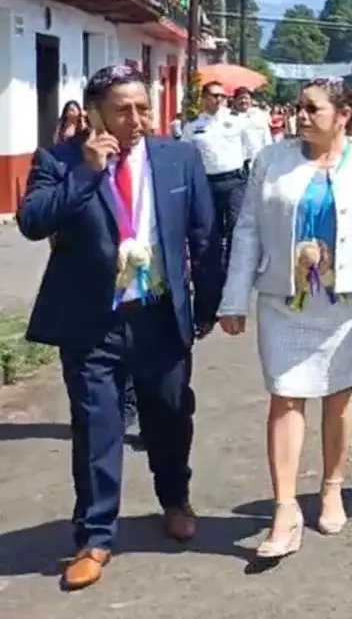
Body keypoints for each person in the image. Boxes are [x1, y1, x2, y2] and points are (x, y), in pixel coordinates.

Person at [18, 64, 221, 590]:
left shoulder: (178, 158)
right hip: (92, 324)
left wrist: (208, 306)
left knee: (171, 417)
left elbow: (202, 235)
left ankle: (174, 497)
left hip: (158, 315)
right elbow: (32, 221)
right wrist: (86, 172)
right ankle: (95, 536)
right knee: (96, 430)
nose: (137, 119)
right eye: (124, 110)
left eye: (143, 107)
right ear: (94, 115)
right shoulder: (59, 160)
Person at [218, 79, 352, 558]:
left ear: (343, 114)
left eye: (312, 109)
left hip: (348, 300)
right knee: (284, 397)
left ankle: (332, 486)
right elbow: (247, 230)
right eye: (298, 108)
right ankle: (285, 508)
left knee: (339, 393)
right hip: (285, 299)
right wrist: (233, 299)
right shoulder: (272, 158)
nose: (300, 117)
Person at [181, 81, 252, 274]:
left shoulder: (237, 121)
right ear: (204, 98)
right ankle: (212, 272)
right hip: (207, 183)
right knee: (209, 229)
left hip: (234, 182)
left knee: (235, 227)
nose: (219, 99)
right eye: (214, 95)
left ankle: (232, 270)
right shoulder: (193, 126)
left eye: (222, 96)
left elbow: (249, 151)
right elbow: (185, 154)